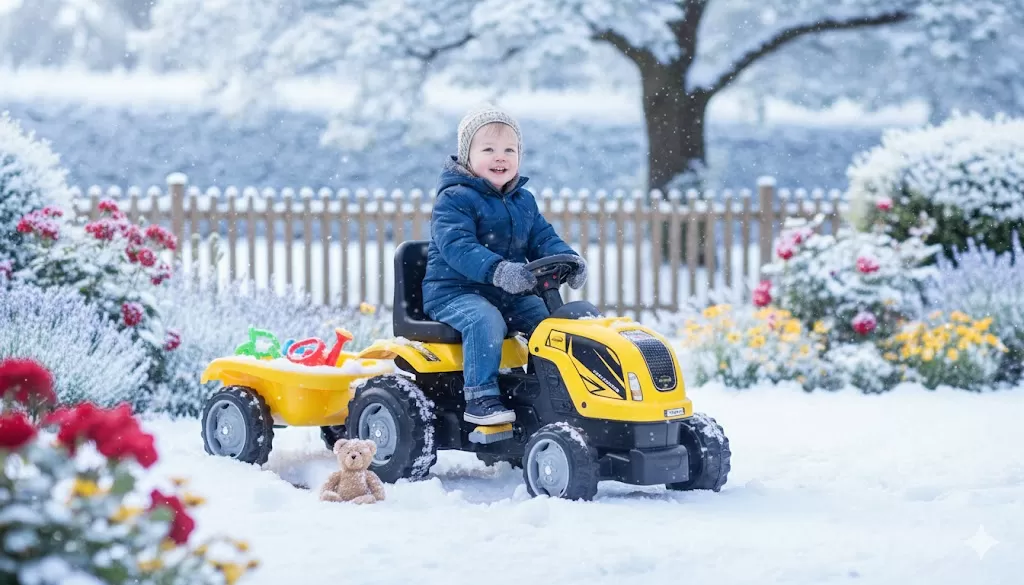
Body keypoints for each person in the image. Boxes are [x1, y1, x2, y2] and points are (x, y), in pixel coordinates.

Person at [421, 105, 587, 425]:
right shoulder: (454, 198)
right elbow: (459, 247)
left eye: (509, 150)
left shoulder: (523, 201)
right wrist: (498, 270)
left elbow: (543, 237)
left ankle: (547, 390)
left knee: (550, 323)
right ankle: (480, 397)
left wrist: (570, 260)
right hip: (454, 293)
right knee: (485, 320)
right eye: (488, 150)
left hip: (507, 292)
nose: (500, 157)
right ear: (467, 156)